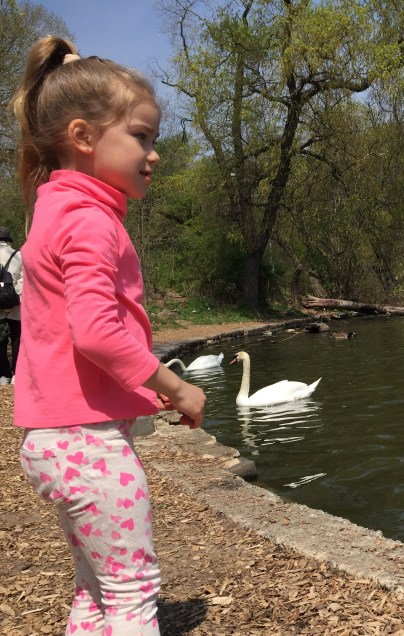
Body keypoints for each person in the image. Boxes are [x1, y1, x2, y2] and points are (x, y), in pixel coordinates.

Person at [11, 36, 206, 635]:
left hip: (55, 438)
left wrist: (139, 391)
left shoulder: (54, 207)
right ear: (84, 136)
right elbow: (95, 332)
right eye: (141, 136)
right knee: (131, 593)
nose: (154, 153)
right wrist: (174, 385)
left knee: (96, 591)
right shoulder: (90, 220)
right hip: (86, 443)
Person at [0, 225, 23, 383]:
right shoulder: (19, 255)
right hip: (16, 304)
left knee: (0, 341)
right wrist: (15, 295)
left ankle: (3, 374)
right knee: (17, 338)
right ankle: (17, 373)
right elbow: (24, 278)